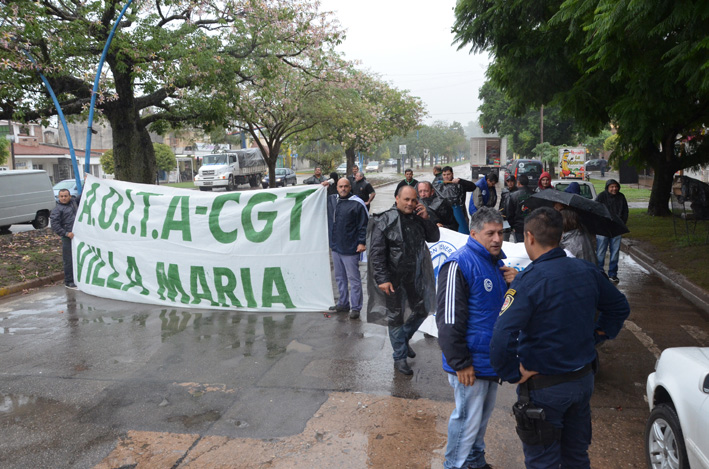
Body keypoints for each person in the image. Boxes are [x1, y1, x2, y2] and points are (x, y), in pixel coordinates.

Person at [490, 207, 630, 469]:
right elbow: (619, 307)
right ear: (559, 235)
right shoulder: (587, 271)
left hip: (545, 390)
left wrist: (513, 373)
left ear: (529, 237)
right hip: (582, 382)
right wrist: (597, 335)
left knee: (543, 461)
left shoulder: (528, 281)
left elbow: (501, 335)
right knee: (576, 457)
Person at [436, 207, 517, 469]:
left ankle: (474, 460)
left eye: (501, 233)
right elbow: (448, 320)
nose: (497, 239)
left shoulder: (497, 265)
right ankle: (454, 465)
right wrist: (461, 362)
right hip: (470, 364)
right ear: (473, 234)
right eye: (490, 233)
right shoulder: (458, 264)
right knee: (466, 421)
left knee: (480, 420)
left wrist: (516, 283)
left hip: (490, 361)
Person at [366, 185, 440, 375]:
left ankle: (404, 339)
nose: (410, 203)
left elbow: (434, 237)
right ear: (397, 198)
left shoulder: (418, 218)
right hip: (393, 279)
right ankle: (399, 357)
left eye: (414, 200)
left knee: (423, 309)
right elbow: (376, 253)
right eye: (406, 199)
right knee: (396, 317)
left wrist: (426, 219)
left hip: (415, 276)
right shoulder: (384, 220)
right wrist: (383, 278)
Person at [327, 178, 369, 319]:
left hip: (351, 248)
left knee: (354, 279)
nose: (343, 189)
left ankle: (356, 307)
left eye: (346, 186)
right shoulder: (333, 200)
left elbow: (363, 225)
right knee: (339, 277)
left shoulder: (357, 203)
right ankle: (343, 303)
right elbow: (317, 195)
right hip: (336, 247)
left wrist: (362, 242)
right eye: (340, 186)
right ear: (337, 188)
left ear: (350, 187)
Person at [595, 179, 628, 284]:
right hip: (602, 229)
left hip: (616, 229)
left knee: (615, 252)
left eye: (616, 187)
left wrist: (622, 223)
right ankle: (599, 271)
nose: (614, 189)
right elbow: (595, 210)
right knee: (600, 252)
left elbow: (625, 211)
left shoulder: (621, 197)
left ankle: (613, 274)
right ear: (607, 187)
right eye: (612, 187)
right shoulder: (601, 196)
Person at [433, 166, 477, 234]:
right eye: (444, 175)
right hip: (446, 217)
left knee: (462, 234)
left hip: (460, 213)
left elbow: (473, 187)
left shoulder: (459, 184)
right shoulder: (438, 186)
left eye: (448, 174)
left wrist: (461, 181)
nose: (446, 177)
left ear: (452, 174)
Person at [50, 188, 79, 289]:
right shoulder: (57, 210)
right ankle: (69, 281)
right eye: (61, 196)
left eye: (66, 196)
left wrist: (86, 182)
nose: (64, 198)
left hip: (78, 236)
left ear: (70, 196)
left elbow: (84, 194)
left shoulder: (74, 203)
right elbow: (54, 225)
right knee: (68, 259)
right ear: (59, 197)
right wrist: (66, 233)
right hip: (68, 238)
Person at [505, 174, 535, 243]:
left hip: (518, 227)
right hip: (532, 226)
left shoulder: (513, 196)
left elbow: (509, 213)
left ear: (518, 183)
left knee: (520, 246)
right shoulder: (534, 195)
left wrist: (512, 226)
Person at [500, 175, 518, 241]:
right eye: (508, 181)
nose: (510, 183)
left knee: (516, 239)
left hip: (515, 219)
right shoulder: (504, 192)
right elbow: (501, 204)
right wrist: (501, 213)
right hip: (505, 218)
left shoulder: (517, 192)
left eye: (511, 181)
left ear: (514, 182)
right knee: (505, 239)